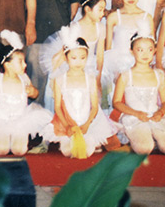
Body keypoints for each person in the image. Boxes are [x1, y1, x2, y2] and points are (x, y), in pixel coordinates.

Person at [41, 29, 118, 158]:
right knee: (68, 151)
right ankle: (69, 139)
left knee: (86, 152)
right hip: (67, 123)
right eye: (74, 58)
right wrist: (67, 126)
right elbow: (57, 107)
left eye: (82, 58)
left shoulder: (90, 79)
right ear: (66, 58)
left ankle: (90, 139)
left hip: (87, 122)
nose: (78, 62)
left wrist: (87, 124)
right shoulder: (60, 79)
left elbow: (94, 106)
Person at [0, 30, 51, 156]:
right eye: (20, 61)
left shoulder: (24, 78)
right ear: (8, 65)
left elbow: (35, 94)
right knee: (1, 150)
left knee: (19, 150)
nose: (25, 64)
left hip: (21, 120)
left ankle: (17, 139)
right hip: (2, 119)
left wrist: (32, 91)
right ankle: (4, 138)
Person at [103, 0, 154, 102]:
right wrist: (114, 72)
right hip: (118, 67)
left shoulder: (147, 17)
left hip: (141, 66)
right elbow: (108, 48)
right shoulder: (114, 17)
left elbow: (151, 46)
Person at [113, 19, 165, 154]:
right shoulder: (126, 75)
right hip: (134, 118)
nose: (145, 54)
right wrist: (136, 113)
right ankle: (144, 141)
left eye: (149, 50)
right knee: (144, 148)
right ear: (132, 51)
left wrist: (160, 112)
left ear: (155, 51)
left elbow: (164, 101)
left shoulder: (159, 75)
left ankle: (156, 139)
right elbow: (116, 102)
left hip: (155, 117)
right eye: (140, 50)